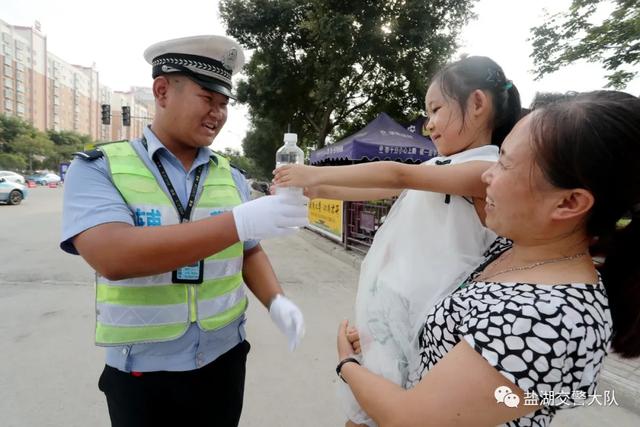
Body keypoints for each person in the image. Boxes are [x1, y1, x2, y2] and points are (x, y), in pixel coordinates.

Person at [335, 90, 640, 426]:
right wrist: (382, 338)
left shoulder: (549, 317)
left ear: (569, 203)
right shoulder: (514, 251)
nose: (486, 175)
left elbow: (410, 418)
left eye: (505, 163)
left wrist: (347, 364)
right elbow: (457, 338)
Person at [60, 35, 308, 427]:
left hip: (224, 359)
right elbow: (113, 256)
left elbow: (249, 251)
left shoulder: (232, 176)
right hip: (142, 370)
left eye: (224, 104)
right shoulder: (99, 167)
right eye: (208, 98)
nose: (218, 113)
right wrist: (237, 222)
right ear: (161, 92)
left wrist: (276, 299)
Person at [274, 56, 521, 426]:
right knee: (365, 405)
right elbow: (383, 184)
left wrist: (312, 169)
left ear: (478, 104)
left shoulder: (485, 169)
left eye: (436, 109)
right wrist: (315, 187)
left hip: (426, 324)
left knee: (385, 410)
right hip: (395, 314)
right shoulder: (440, 166)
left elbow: (393, 175)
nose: (428, 124)